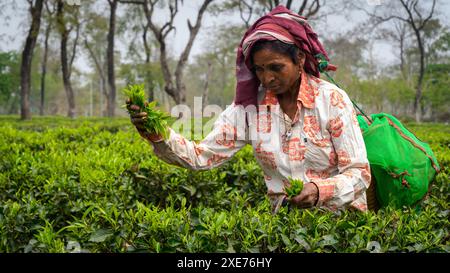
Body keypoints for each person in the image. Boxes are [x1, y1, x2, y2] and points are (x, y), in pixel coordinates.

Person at [127, 5, 371, 214]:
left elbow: (359, 173)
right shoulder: (250, 108)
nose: (267, 78)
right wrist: (155, 130)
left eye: (276, 67)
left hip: (340, 224)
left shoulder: (331, 100)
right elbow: (201, 156)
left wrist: (319, 191)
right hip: (287, 227)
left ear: (298, 59)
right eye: (259, 70)